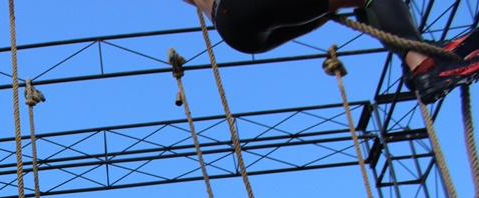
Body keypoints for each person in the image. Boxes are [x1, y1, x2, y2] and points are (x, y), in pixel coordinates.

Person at [179, 0, 479, 104]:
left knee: (354, 3)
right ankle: (424, 64)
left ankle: (419, 61)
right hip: (245, 6)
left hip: (235, 28)